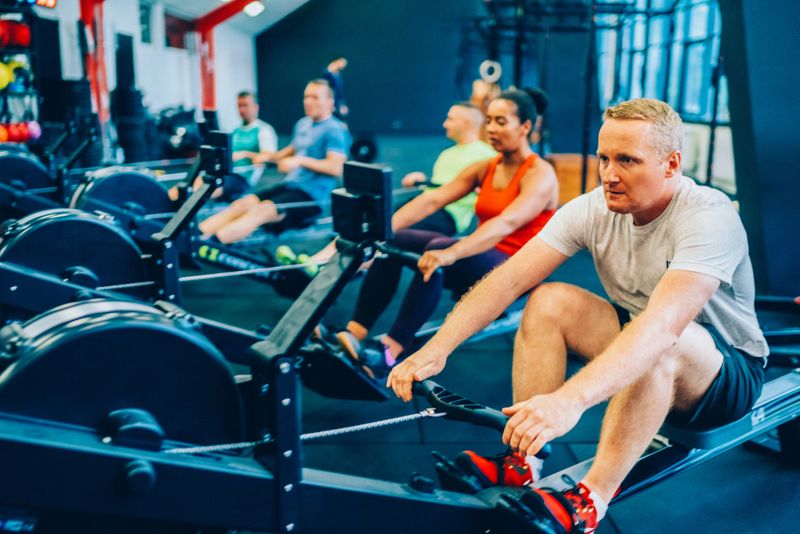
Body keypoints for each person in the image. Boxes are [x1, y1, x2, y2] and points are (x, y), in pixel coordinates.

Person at [386, 98, 768, 533]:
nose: (609, 174)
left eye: (627, 160)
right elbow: (508, 280)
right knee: (549, 299)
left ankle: (593, 500)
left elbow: (663, 326)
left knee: (664, 339)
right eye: (604, 158)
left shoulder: (707, 216)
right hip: (644, 341)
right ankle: (521, 461)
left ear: (671, 164)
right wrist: (435, 349)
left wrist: (569, 400)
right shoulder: (595, 207)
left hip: (724, 375)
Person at [326, 88, 558, 380]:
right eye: (489, 121)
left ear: (525, 126)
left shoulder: (540, 174)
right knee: (394, 241)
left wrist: (451, 252)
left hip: (520, 266)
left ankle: (391, 350)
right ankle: (355, 332)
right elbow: (432, 199)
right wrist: (381, 230)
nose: (491, 129)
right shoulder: (487, 167)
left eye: (501, 121)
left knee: (436, 249)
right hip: (483, 254)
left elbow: (506, 224)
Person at [199, 79, 350, 243]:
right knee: (243, 204)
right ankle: (194, 236)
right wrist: (259, 156)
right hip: (289, 186)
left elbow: (336, 168)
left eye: (315, 97)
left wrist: (299, 161)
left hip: (311, 198)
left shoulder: (335, 130)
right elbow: (289, 151)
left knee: (262, 210)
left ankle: (208, 245)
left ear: (330, 102)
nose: (308, 102)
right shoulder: (303, 124)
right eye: (306, 97)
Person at [400, 101, 496, 236]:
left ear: (466, 123)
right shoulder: (446, 154)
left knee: (396, 232)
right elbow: (438, 185)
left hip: (448, 215)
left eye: (450, 119)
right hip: (425, 204)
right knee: (380, 218)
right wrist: (422, 180)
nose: (445, 124)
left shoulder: (489, 155)